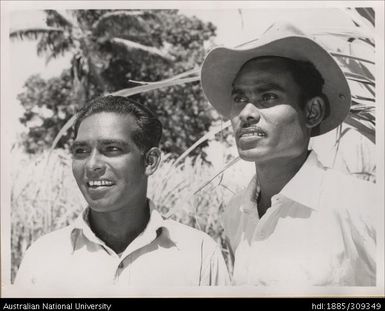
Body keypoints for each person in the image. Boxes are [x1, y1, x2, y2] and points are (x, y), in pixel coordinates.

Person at [200, 22, 377, 286]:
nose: (246, 113)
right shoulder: (236, 213)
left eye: (268, 96)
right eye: (239, 98)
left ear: (311, 112)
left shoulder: (362, 206)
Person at [14, 96, 230, 294]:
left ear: (150, 161)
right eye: (81, 151)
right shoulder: (42, 257)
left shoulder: (199, 253)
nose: (92, 165)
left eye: (112, 149)